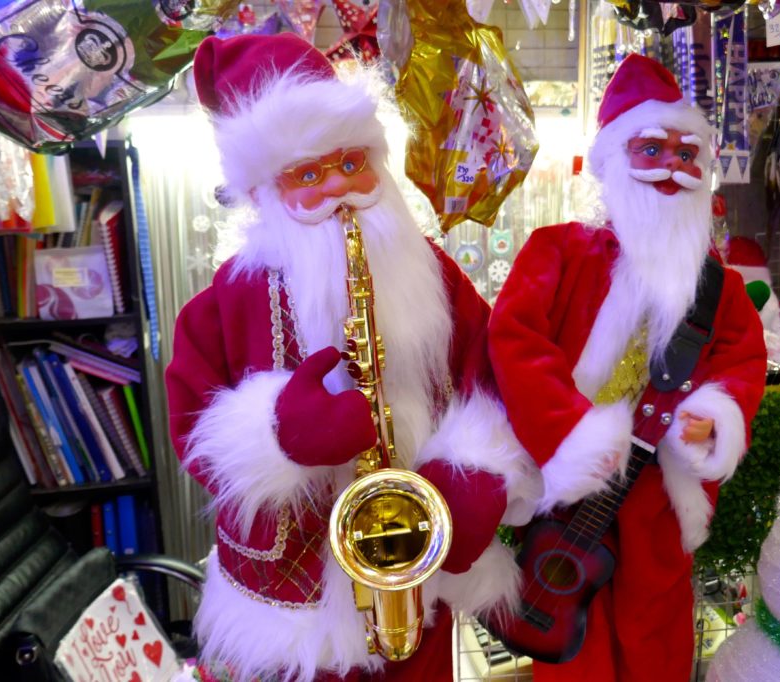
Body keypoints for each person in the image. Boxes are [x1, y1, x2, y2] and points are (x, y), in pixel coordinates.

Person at [165, 33, 538, 682]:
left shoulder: (434, 272)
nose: (340, 189)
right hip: (289, 601)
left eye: (351, 163)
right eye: (309, 174)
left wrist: (478, 469)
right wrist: (278, 435)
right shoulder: (228, 298)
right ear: (263, 193)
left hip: (415, 569)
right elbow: (191, 429)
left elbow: (493, 375)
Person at [488, 54, 767, 681]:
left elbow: (743, 359)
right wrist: (570, 438)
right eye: (651, 149)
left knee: (655, 627)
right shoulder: (557, 251)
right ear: (613, 161)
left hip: (658, 495)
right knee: (571, 638)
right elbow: (514, 340)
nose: (673, 167)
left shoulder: (714, 285)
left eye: (686, 153)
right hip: (567, 488)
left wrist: (713, 417)